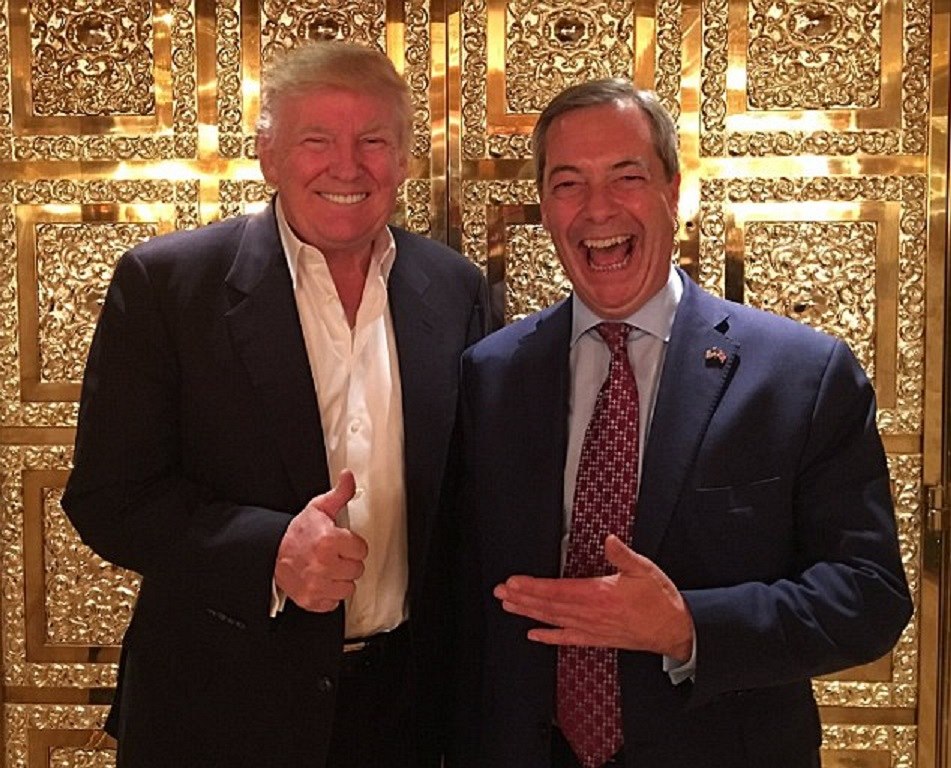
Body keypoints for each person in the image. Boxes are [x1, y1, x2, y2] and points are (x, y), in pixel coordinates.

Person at [448, 78, 912, 768]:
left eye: (626, 177)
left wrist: (689, 626)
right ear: (544, 207)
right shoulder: (491, 374)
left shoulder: (801, 374)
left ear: (673, 191)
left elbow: (869, 597)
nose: (597, 208)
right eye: (568, 183)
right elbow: (460, 600)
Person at [62, 41, 486, 768]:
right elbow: (107, 499)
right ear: (268, 155)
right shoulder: (168, 285)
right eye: (316, 140)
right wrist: (269, 551)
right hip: (217, 712)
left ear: (405, 159)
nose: (347, 167)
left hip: (404, 715)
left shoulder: (455, 288)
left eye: (372, 142)